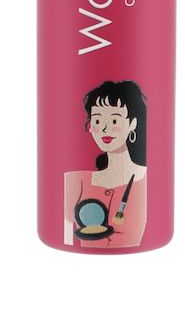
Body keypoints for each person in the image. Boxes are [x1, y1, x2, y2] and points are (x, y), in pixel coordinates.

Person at [63, 80, 148, 249]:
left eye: (114, 121)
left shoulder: (148, 179)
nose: (104, 129)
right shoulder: (76, 180)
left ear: (133, 123)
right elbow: (65, 235)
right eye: (97, 121)